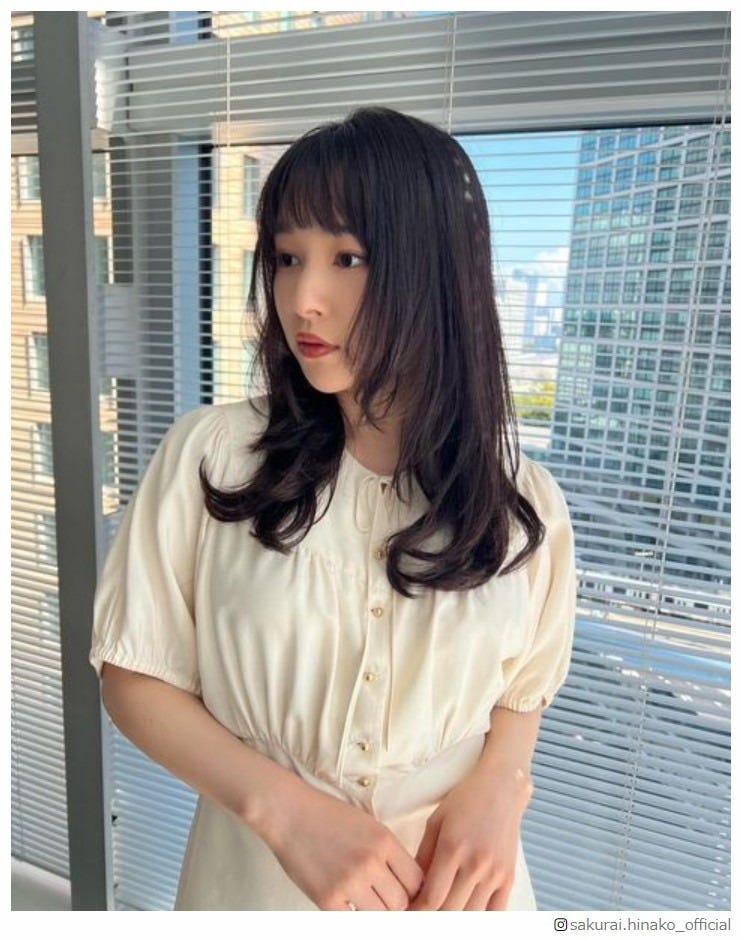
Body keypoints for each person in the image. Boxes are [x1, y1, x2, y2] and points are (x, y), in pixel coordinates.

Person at [90, 106, 575, 911]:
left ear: (435, 270)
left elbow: (522, 689)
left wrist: (502, 784)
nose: (302, 299)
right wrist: (283, 812)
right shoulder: (213, 456)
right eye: (287, 258)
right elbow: (133, 676)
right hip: (256, 886)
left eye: (347, 258)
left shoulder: (524, 503)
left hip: (464, 895)